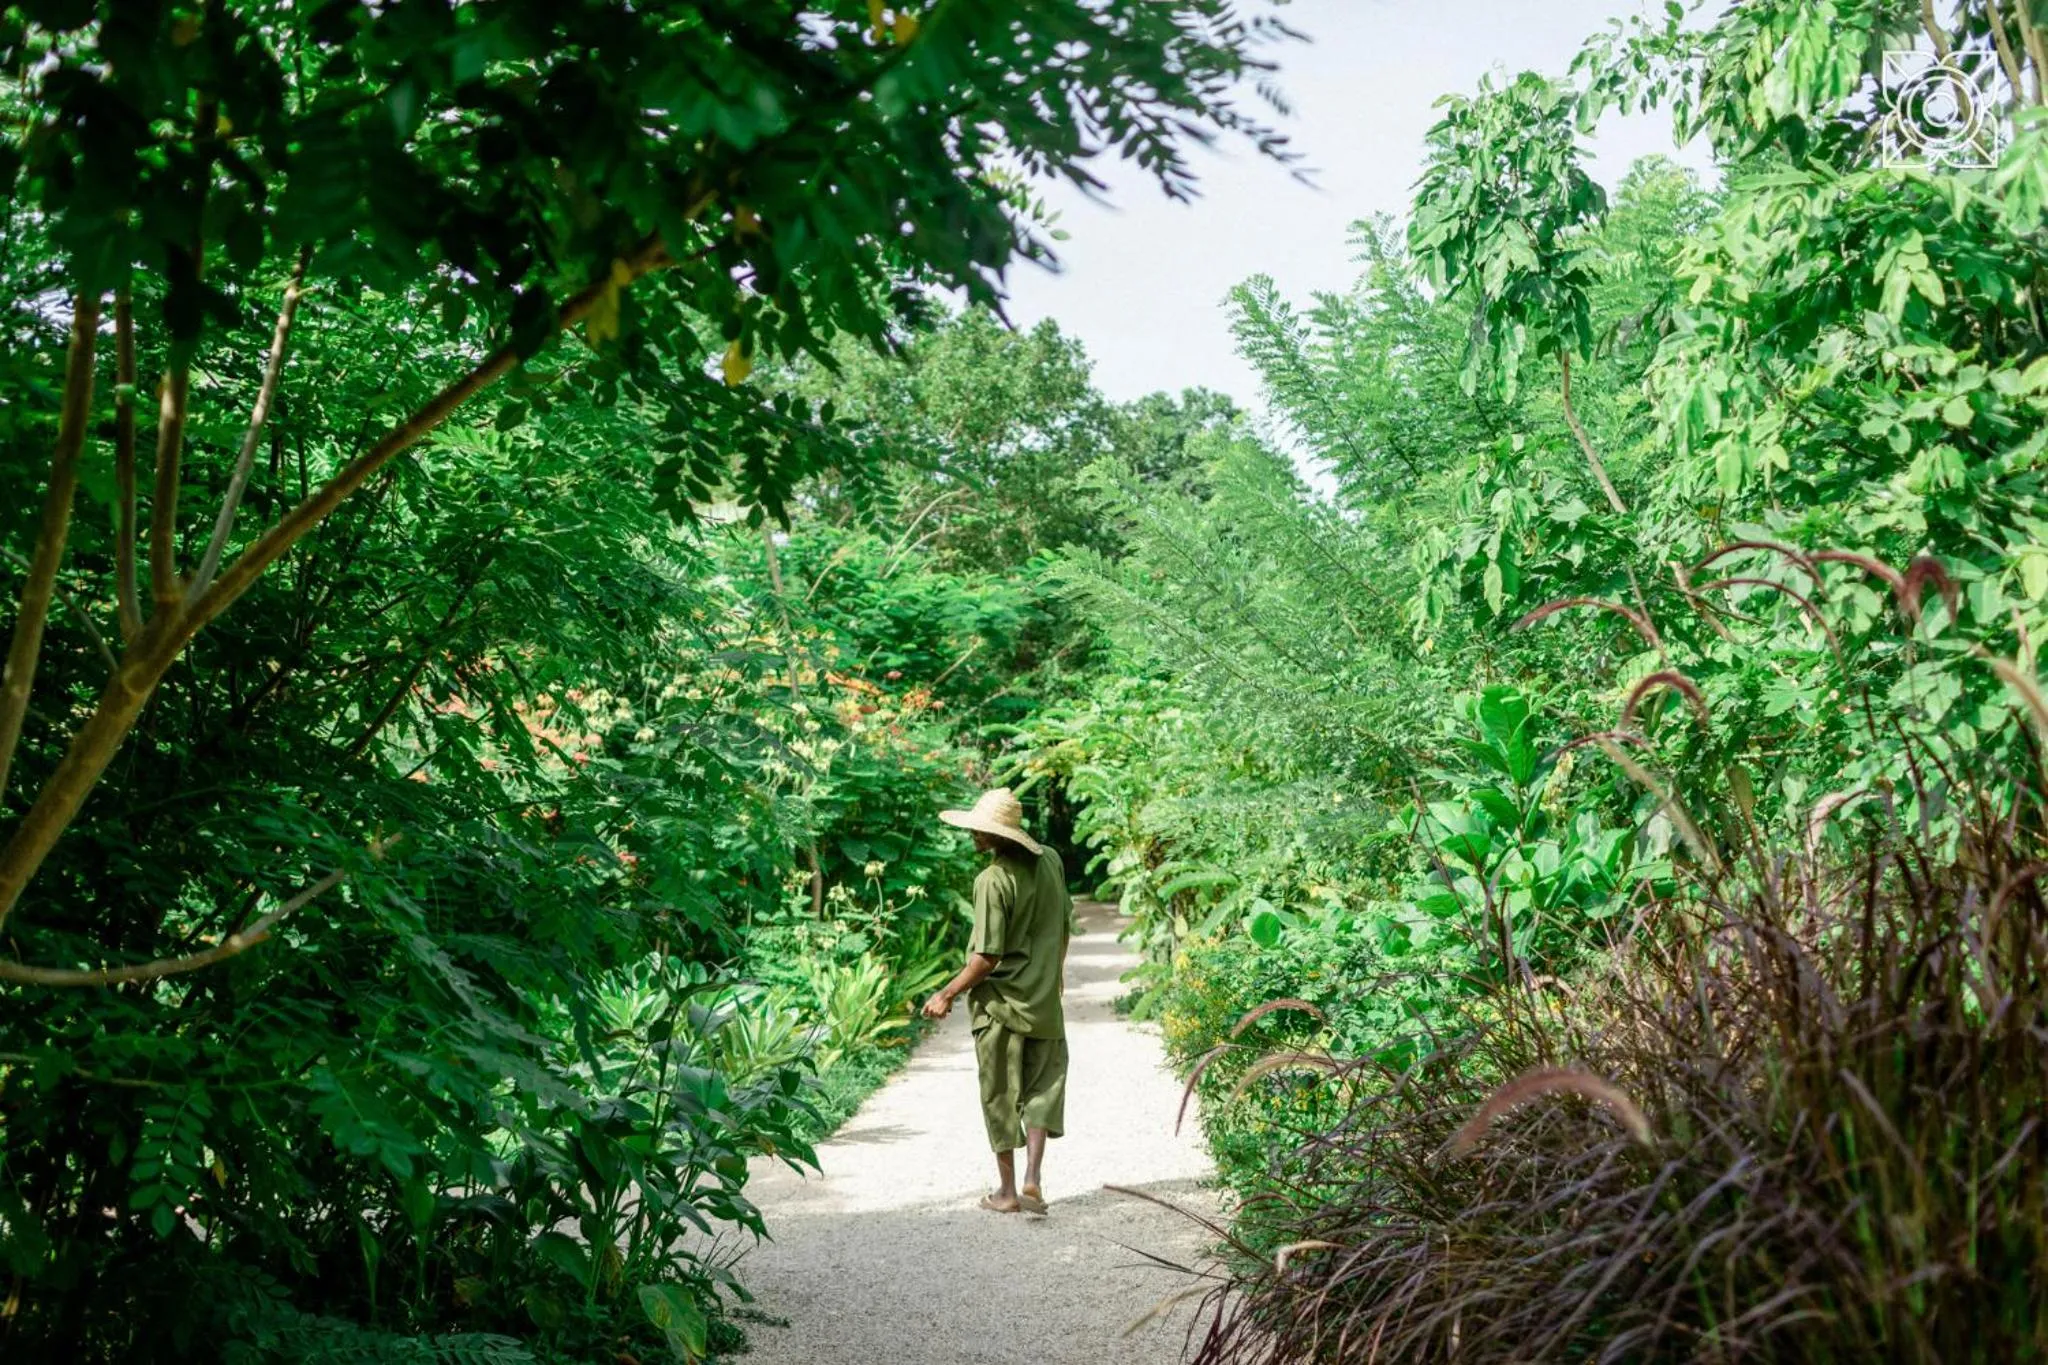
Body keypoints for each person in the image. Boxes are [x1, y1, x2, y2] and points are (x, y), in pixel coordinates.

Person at [922, 787, 1076, 1215]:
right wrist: (1055, 975)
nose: (973, 833)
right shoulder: (1051, 860)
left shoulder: (992, 880)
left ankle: (1008, 1193)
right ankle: (1033, 1180)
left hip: (1000, 1005)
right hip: (1044, 1000)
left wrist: (946, 993)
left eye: (981, 828)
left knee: (1000, 1093)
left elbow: (986, 957)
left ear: (1000, 834)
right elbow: (1065, 922)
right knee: (1044, 1087)